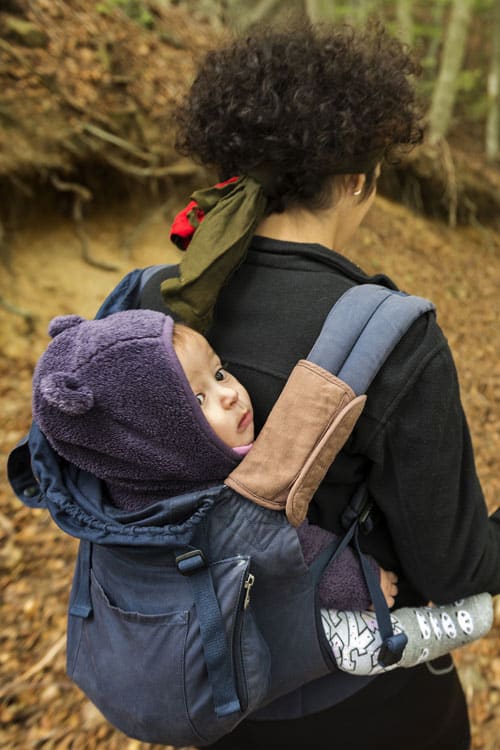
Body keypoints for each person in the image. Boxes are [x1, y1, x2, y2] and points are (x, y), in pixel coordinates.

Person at [134, 20, 500, 750]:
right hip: (362, 708)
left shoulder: (156, 307)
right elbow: (458, 570)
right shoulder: (394, 339)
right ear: (360, 179)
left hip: (208, 690)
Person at [31, 309, 492, 683]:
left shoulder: (131, 480)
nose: (229, 395)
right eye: (197, 400)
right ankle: (429, 630)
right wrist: (363, 579)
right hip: (244, 639)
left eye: (219, 372)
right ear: (151, 437)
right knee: (351, 641)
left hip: (164, 634)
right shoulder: (215, 502)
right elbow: (297, 553)